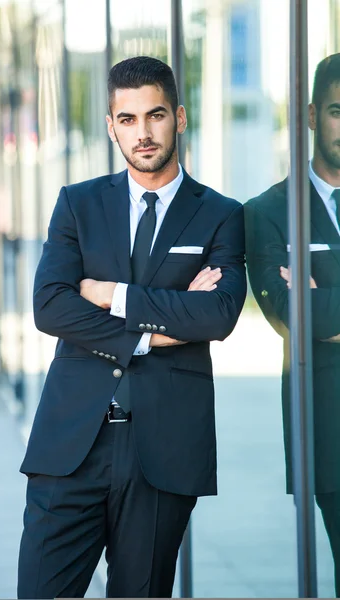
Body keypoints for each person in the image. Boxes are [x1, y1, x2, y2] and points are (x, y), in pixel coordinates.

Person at [17, 55, 247, 599]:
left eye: (156, 115)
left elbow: (217, 315)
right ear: (111, 125)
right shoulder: (77, 204)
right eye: (128, 119)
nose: (142, 133)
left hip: (162, 450)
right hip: (71, 444)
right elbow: (50, 307)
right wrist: (156, 328)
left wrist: (111, 295)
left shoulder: (220, 213)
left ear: (180, 118)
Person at [245, 53, 340, 598]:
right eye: (335, 110)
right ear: (310, 115)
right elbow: (292, 316)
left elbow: (319, 313)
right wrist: (310, 309)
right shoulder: (269, 212)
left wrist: (324, 300)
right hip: (332, 435)